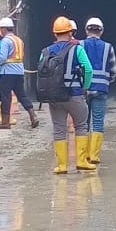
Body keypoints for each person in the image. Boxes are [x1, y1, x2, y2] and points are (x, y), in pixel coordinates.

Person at [37, 17, 94, 173]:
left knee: (59, 129)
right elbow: (88, 69)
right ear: (70, 33)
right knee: (81, 125)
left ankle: (62, 166)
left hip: (54, 97)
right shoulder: (77, 49)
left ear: (55, 34)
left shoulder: (45, 51)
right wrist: (85, 87)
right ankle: (81, 161)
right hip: (74, 94)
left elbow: (41, 72)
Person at [82, 18, 116, 165]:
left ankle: (83, 156)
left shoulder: (80, 45)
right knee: (97, 122)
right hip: (101, 88)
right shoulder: (108, 47)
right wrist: (108, 80)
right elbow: (113, 69)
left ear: (86, 30)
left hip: (83, 89)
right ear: (101, 31)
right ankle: (94, 156)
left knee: (83, 123)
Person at [0, 17, 39, 130]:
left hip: (7, 71)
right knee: (22, 94)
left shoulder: (6, 40)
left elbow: (3, 57)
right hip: (19, 71)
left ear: (4, 29)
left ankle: (5, 122)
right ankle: (32, 115)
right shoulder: (19, 40)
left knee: (5, 96)